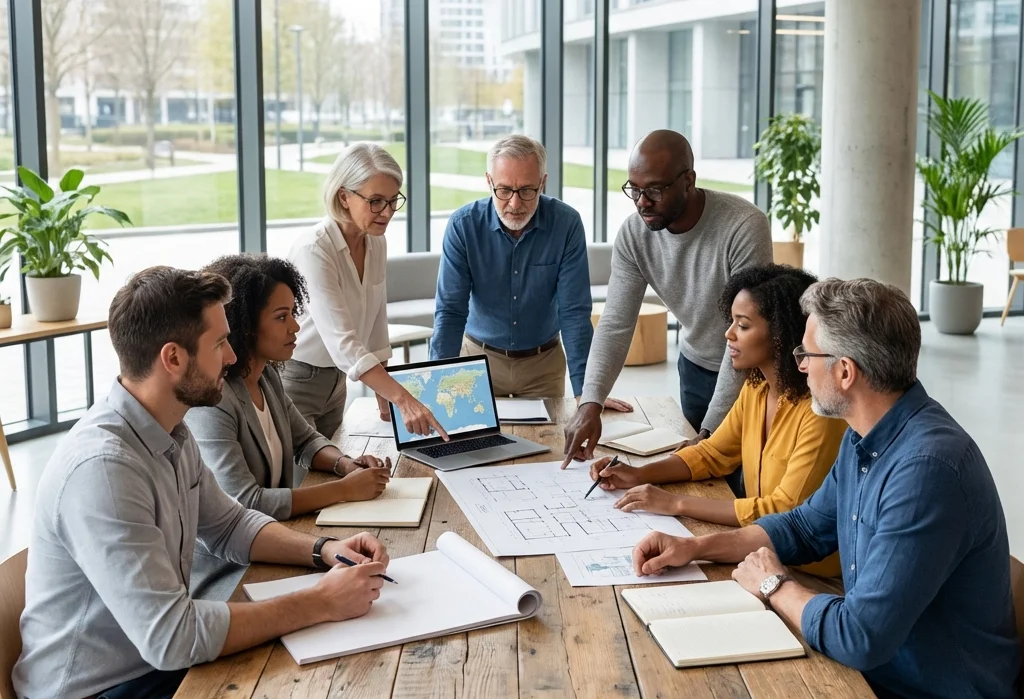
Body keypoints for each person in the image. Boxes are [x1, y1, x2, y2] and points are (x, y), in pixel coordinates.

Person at [631, 278, 1020, 699]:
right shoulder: (867, 437)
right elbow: (802, 527)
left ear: (845, 370)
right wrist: (696, 548)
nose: (800, 365)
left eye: (806, 353)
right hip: (887, 688)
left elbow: (861, 637)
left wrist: (775, 587)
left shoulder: (927, 469)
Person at [13, 266, 390, 699]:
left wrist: (324, 552)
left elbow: (231, 524)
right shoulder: (104, 468)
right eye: (219, 344)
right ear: (173, 358)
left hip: (148, 678)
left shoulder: (169, 428)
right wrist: (320, 602)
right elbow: (173, 637)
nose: (232, 358)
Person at [595, 264, 846, 699]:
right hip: (759, 556)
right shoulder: (758, 389)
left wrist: (674, 503)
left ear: (780, 334)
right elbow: (713, 452)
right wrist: (639, 472)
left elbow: (786, 508)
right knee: (662, 601)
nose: (727, 336)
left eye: (742, 324)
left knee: (693, 617)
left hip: (808, 576)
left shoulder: (820, 413)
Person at [185, 253, 393, 600]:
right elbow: (246, 503)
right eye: (282, 317)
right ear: (244, 324)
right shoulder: (214, 402)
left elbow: (307, 440)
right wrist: (344, 489)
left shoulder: (266, 374)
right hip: (229, 573)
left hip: (278, 546)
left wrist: (345, 465)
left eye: (294, 314)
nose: (296, 327)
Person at [562, 129, 773, 468]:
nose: (642, 201)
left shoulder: (743, 226)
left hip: (749, 373)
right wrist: (591, 403)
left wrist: (708, 435)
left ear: (688, 180)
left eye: (655, 189)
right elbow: (615, 323)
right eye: (634, 189)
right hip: (694, 367)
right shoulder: (634, 234)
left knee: (739, 479)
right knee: (699, 476)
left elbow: (749, 331)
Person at [430, 134, 630, 411]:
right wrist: (435, 385)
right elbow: (450, 311)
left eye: (527, 190)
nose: (514, 204)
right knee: (474, 446)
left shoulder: (566, 224)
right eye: (504, 190)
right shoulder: (463, 226)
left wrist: (587, 392)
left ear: (542, 183)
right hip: (477, 363)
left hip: (543, 366)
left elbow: (573, 312)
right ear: (489, 182)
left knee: (551, 448)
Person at [284, 142, 448, 441]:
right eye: (375, 201)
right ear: (344, 196)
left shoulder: (376, 241)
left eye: (392, 200)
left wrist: (383, 393)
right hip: (297, 380)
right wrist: (402, 398)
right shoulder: (315, 250)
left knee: (333, 474)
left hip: (337, 379)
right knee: (303, 481)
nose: (386, 212)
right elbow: (343, 341)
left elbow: (375, 320)